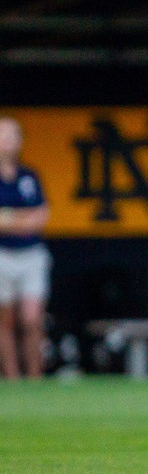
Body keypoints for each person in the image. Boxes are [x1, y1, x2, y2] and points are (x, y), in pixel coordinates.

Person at [0, 118, 50, 380]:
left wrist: (9, 219)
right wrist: (22, 219)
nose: (6, 141)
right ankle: (12, 378)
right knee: (5, 320)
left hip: (31, 254)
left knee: (31, 319)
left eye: (11, 136)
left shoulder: (29, 176)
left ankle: (34, 377)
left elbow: (40, 217)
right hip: (2, 255)